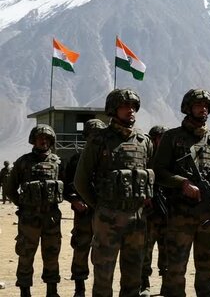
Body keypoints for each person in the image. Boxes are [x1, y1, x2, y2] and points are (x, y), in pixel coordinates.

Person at [74, 88, 154, 297]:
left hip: (136, 219)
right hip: (108, 217)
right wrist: (99, 206)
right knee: (103, 274)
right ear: (113, 110)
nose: (131, 111)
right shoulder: (99, 140)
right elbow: (81, 180)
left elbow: (150, 174)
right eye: (125, 106)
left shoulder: (143, 141)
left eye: (133, 107)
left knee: (133, 274)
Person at [154, 89, 210, 297]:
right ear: (188, 108)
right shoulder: (172, 138)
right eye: (198, 105)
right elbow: (158, 172)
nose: (202, 109)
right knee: (176, 267)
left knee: (207, 267)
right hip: (180, 215)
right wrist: (182, 183)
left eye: (205, 106)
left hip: (208, 217)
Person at [6, 124, 64, 297]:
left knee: (52, 254)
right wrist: (22, 205)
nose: (43, 141)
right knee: (26, 254)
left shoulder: (57, 162)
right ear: (33, 140)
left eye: (47, 138)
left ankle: (52, 291)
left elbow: (66, 186)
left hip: (51, 218)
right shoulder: (23, 162)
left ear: (51, 141)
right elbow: (10, 189)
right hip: (29, 218)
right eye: (40, 138)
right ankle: (25, 290)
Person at [64, 119, 107, 297]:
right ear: (86, 136)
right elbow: (66, 187)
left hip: (103, 213)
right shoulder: (76, 158)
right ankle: (79, 288)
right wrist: (74, 200)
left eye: (99, 135)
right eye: (92, 135)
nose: (95, 138)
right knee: (81, 249)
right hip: (84, 213)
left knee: (104, 251)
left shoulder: (108, 157)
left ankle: (101, 287)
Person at [140, 125, 168, 296]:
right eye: (158, 138)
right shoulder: (146, 159)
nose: (161, 141)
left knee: (167, 251)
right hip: (149, 215)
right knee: (146, 252)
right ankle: (145, 284)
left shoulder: (170, 159)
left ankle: (166, 283)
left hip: (167, 214)